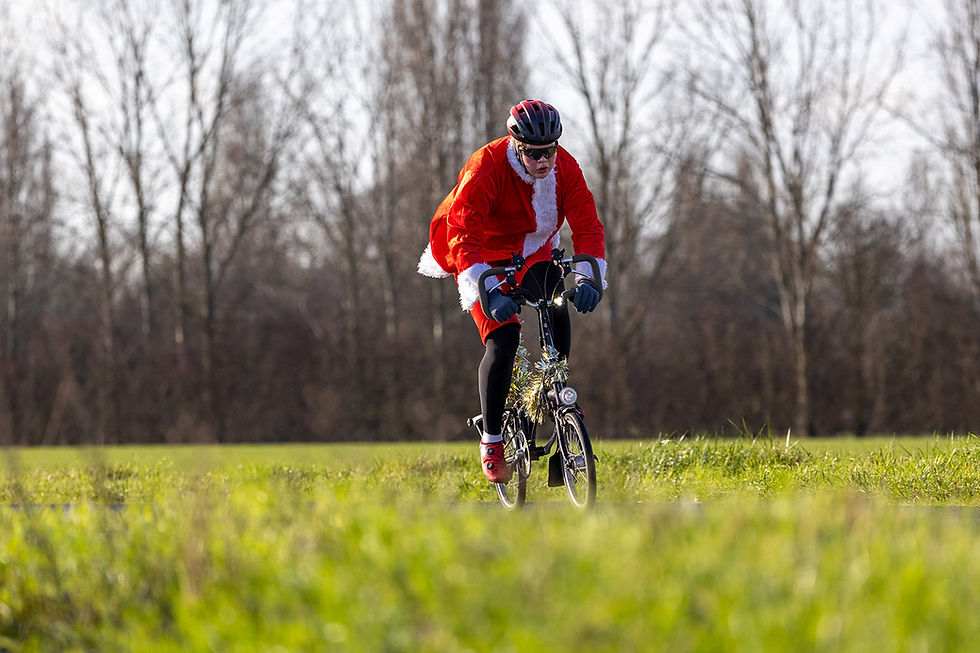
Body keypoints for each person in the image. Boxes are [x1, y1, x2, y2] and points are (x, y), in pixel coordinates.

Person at [417, 99, 607, 482]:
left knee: (555, 304)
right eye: (534, 153)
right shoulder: (486, 166)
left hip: (533, 251)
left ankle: (556, 397)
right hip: (482, 256)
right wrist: (486, 291)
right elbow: (463, 232)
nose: (543, 161)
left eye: (550, 150)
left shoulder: (567, 168)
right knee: (503, 339)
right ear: (516, 146)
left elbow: (587, 224)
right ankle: (492, 440)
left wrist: (590, 278)